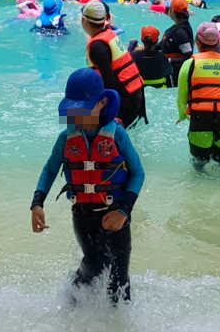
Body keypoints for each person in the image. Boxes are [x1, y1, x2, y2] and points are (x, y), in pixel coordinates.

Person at [32, 67, 144, 304]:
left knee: (119, 278)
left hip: (117, 211)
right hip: (83, 214)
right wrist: (37, 203)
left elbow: (138, 173)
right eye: (72, 110)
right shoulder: (66, 138)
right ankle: (74, 294)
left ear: (102, 103)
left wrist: (124, 211)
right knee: (96, 263)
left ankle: (119, 319)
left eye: (83, 109)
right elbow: (50, 169)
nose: (77, 116)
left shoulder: (118, 135)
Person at [177, 22, 220, 169]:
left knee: (199, 164)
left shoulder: (190, 64)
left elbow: (182, 97)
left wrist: (183, 115)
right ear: (217, 42)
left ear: (197, 42)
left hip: (200, 120)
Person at [83, 0, 147, 127]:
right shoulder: (109, 35)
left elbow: (109, 82)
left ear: (84, 21)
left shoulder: (97, 46)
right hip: (136, 92)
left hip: (125, 99)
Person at [159, 0, 196, 82]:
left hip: (176, 73)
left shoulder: (181, 33)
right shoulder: (177, 27)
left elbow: (188, 55)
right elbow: (162, 45)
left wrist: (170, 60)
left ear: (172, 11)